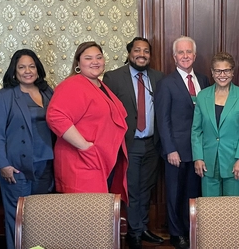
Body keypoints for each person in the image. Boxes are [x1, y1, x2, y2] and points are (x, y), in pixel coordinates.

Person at [46, 41, 129, 203]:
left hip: (101, 162)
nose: (95, 62)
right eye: (88, 58)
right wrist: (84, 146)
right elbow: (55, 116)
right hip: (81, 163)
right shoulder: (73, 84)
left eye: (99, 57)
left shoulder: (100, 85)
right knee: (87, 218)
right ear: (78, 63)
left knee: (100, 214)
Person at [0, 49, 55, 249]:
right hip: (16, 167)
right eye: (22, 67)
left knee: (40, 219)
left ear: (38, 68)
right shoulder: (5, 96)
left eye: (32, 66)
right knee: (17, 219)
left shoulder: (47, 92)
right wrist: (3, 164)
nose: (28, 71)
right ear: (14, 71)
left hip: (45, 165)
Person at [103, 37, 164, 249]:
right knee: (133, 189)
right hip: (129, 144)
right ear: (129, 53)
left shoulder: (158, 77)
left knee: (147, 187)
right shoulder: (113, 77)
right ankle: (133, 231)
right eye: (137, 50)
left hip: (153, 143)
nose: (142, 54)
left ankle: (143, 227)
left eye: (146, 51)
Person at [154, 36, 210, 249]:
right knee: (175, 193)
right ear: (174, 56)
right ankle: (176, 234)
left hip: (198, 151)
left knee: (193, 193)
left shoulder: (204, 80)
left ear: (194, 56)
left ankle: (190, 230)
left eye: (189, 52)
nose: (185, 56)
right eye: (181, 52)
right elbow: (163, 119)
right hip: (176, 151)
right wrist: (170, 149)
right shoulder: (166, 84)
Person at [191, 52, 239, 196]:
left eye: (226, 70)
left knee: (234, 211)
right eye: (218, 71)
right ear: (212, 73)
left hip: (234, 162)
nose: (222, 74)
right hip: (207, 163)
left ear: (232, 72)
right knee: (210, 211)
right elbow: (196, 130)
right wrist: (198, 157)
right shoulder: (202, 96)